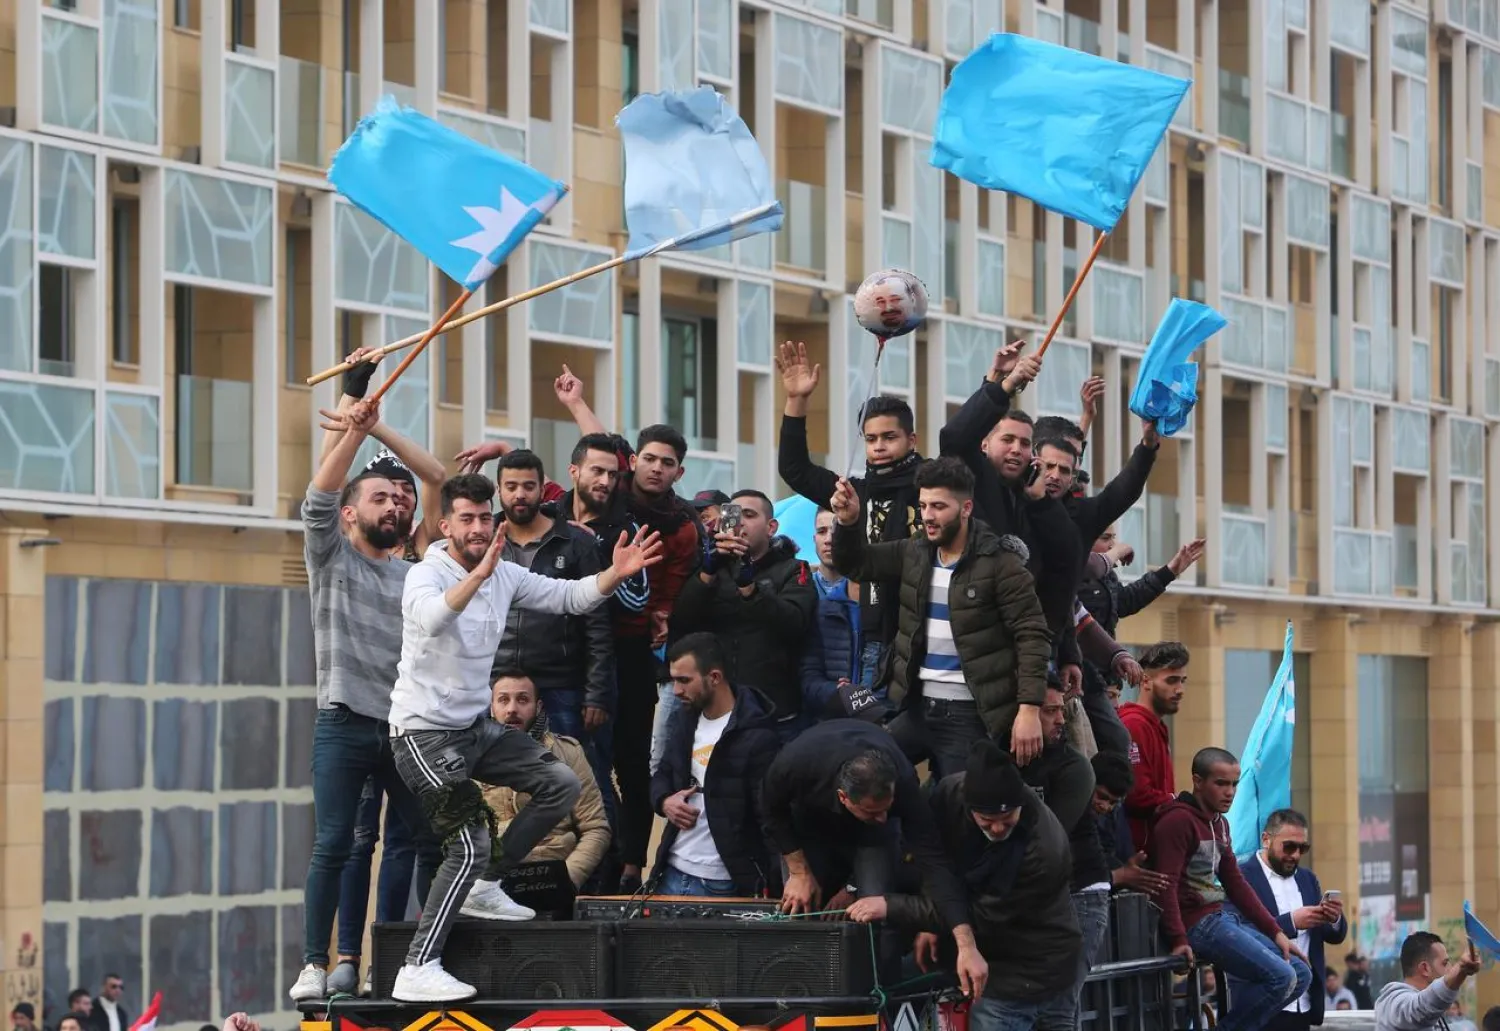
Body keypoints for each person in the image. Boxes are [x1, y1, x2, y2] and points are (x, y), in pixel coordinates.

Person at [385, 472, 662, 1002]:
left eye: (485, 519)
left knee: (559, 783)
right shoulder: (427, 575)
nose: (478, 528)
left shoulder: (506, 574)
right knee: (466, 843)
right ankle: (417, 966)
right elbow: (433, 619)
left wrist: (614, 573)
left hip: (474, 729)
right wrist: (478, 575)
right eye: (466, 519)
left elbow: (572, 598)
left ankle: (489, 882)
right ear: (445, 526)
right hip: (422, 737)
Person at [291, 398, 441, 1004]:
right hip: (345, 724)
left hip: (407, 732)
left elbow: (436, 480)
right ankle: (314, 963)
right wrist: (353, 434)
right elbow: (316, 499)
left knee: (436, 841)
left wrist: (376, 425)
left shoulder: (420, 574)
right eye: (381, 497)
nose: (397, 505)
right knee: (336, 844)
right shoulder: (330, 557)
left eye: (400, 502)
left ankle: (419, 959)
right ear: (351, 512)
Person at [829, 457, 1051, 775]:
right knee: (865, 774)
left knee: (956, 807)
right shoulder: (915, 551)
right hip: (916, 706)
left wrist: (1029, 709)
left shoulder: (1000, 564)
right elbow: (856, 564)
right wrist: (849, 522)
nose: (928, 517)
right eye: (922, 506)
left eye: (938, 507)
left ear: (966, 508)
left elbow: (1032, 634)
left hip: (970, 714)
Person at [849, 740, 1078, 1031]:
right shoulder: (948, 795)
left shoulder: (1045, 849)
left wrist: (891, 906)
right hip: (986, 955)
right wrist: (931, 923)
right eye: (987, 819)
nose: (997, 828)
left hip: (1029, 966)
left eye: (1007, 819)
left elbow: (981, 914)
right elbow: (935, 863)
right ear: (970, 808)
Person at [762, 719, 985, 993]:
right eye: (872, 812)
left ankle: (881, 996)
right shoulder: (794, 764)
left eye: (886, 809)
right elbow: (771, 813)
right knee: (800, 904)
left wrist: (965, 943)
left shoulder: (902, 786)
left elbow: (934, 863)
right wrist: (799, 872)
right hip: (808, 823)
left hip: (872, 840)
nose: (881, 818)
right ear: (844, 797)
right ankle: (800, 992)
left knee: (878, 914)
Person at [777, 341, 922, 686]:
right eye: (870, 439)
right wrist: (797, 401)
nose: (879, 447)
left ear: (912, 439)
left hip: (926, 635)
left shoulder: (931, 482)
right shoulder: (852, 492)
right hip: (873, 637)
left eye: (890, 437)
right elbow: (794, 469)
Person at [1148, 747, 1311, 1031]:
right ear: (1198, 781)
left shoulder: (1220, 824)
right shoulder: (1177, 821)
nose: (1230, 792)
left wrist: (1276, 932)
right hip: (1197, 924)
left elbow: (1235, 883)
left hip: (1221, 917)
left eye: (1234, 784)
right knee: (1282, 977)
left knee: (1300, 972)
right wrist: (1177, 939)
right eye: (1221, 783)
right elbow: (1166, 886)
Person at [489, 450, 616, 747]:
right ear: (498, 491)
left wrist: (596, 693)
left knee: (577, 779)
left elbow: (598, 625)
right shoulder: (483, 541)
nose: (520, 494)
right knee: (496, 784)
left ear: (542, 490)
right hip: (496, 685)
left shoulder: (576, 542)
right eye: (511, 487)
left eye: (528, 486)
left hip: (560, 685)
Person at [670, 489, 818, 739]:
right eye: (733, 514)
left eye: (749, 515)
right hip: (715, 710)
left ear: (771, 527)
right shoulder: (712, 568)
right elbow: (682, 622)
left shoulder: (793, 569)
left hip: (774, 713)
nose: (739, 522)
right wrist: (706, 574)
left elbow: (795, 623)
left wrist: (751, 590)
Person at [649, 633, 782, 896]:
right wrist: (664, 801)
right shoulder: (686, 720)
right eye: (673, 680)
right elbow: (662, 773)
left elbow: (770, 816)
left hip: (722, 881)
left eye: (684, 681)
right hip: (672, 871)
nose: (676, 691)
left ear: (715, 678)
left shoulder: (758, 735)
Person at [1022, 683, 1113, 1031]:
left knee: (1057, 1009)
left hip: (1079, 894)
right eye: (1050, 710)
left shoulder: (1073, 767)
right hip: (1031, 896)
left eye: (1062, 709)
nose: (1061, 719)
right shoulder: (999, 757)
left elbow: (1048, 839)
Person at [480, 673, 611, 889]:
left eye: (522, 700)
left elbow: (595, 828)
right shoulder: (473, 757)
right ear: (492, 708)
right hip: (490, 883)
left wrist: (566, 880)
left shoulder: (568, 753)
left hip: (554, 875)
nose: (512, 709)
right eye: (503, 700)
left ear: (538, 706)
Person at [1234, 809, 1347, 1031]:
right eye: (1289, 847)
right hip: (1263, 1003)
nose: (1295, 855)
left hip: (1303, 1005)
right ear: (1266, 840)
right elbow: (1236, 933)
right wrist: (1290, 923)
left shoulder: (1307, 879)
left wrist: (1333, 918)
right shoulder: (1241, 878)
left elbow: (1333, 935)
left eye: (1302, 848)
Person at [1120, 642, 1190, 851]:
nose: (1180, 690)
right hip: (1138, 855)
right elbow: (1136, 796)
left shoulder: (1154, 725)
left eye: (1182, 681)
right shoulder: (1134, 724)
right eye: (1171, 681)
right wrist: (1180, 803)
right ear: (1145, 681)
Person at [801, 506, 867, 720]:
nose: (829, 539)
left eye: (836, 530)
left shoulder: (868, 594)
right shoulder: (799, 590)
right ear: (814, 538)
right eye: (822, 531)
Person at [1374, 933, 1482, 1031]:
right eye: (1444, 964)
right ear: (1425, 968)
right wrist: (1461, 969)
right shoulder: (1395, 1004)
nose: (1450, 969)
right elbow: (1421, 1008)